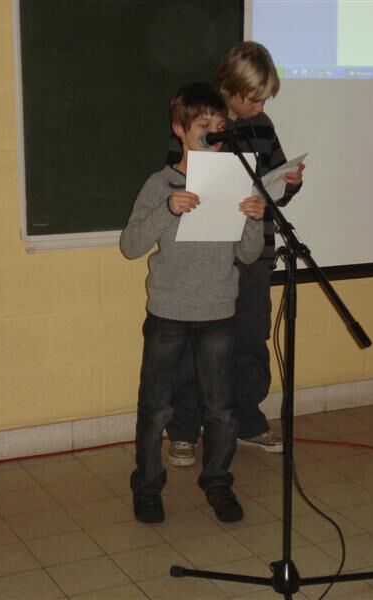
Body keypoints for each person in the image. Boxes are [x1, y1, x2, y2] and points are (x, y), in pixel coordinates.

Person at [120, 82, 265, 524]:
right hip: (169, 313)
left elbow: (248, 254)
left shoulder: (236, 181)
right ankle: (148, 487)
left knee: (221, 410)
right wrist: (168, 209)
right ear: (180, 129)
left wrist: (253, 219)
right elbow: (130, 245)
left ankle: (218, 482)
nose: (214, 132)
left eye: (220, 124)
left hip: (219, 311)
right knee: (157, 408)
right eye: (204, 124)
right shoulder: (160, 183)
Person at [166, 41, 305, 467]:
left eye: (263, 99)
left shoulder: (262, 125)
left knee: (250, 339)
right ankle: (185, 430)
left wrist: (289, 183)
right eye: (252, 98)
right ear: (228, 87)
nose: (259, 107)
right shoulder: (201, 121)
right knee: (196, 345)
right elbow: (174, 179)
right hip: (207, 257)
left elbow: (274, 187)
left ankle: (247, 420)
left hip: (254, 252)